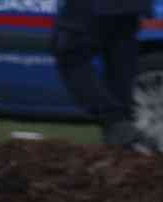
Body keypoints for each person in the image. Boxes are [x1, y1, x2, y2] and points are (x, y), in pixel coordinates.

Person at [52, 0, 153, 150]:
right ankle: (124, 136)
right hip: (133, 6)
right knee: (120, 61)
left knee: (71, 55)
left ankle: (115, 120)